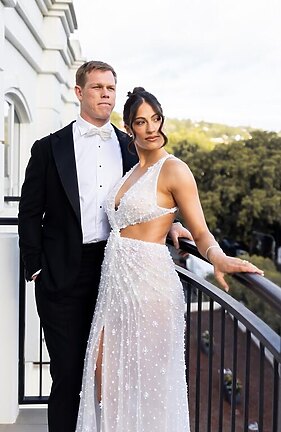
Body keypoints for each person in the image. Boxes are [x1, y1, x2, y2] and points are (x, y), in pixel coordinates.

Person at [75, 87, 264, 431]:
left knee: (149, 390)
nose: (151, 128)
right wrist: (171, 224)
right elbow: (143, 215)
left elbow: (202, 231)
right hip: (115, 291)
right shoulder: (133, 170)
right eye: (141, 122)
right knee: (104, 380)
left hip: (151, 291)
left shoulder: (175, 169)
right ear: (129, 128)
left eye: (156, 119)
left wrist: (218, 258)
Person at [18, 62, 192, 432]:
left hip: (117, 275)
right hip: (61, 275)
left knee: (114, 376)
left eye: (111, 88)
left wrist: (172, 222)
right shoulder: (48, 148)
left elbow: (149, 193)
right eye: (97, 87)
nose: (106, 94)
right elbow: (29, 212)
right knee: (67, 376)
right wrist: (35, 268)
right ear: (79, 92)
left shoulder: (130, 148)